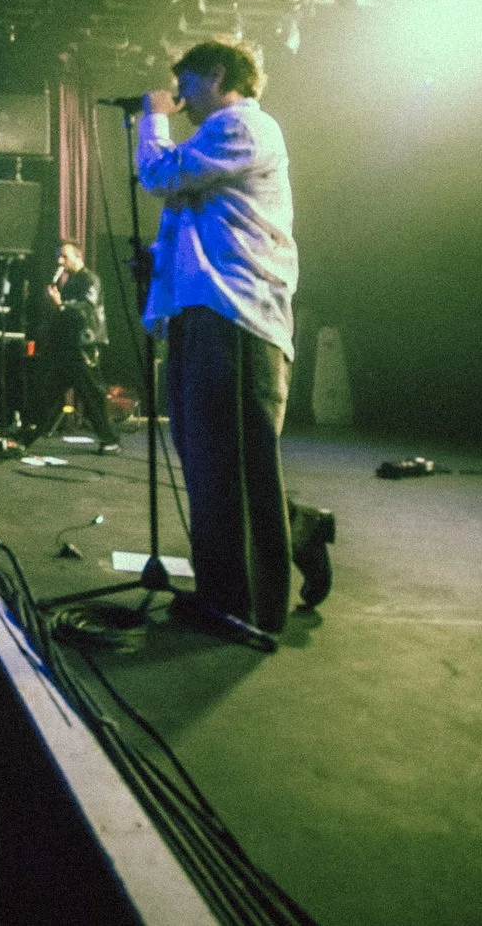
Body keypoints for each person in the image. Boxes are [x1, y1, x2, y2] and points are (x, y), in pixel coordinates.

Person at [137, 38, 326, 643]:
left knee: (233, 466)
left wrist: (151, 119)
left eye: (185, 79)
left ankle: (250, 608)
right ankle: (248, 569)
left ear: (218, 74)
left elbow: (159, 174)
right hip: (204, 313)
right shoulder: (214, 137)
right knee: (209, 466)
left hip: (238, 317)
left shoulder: (245, 126)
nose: (180, 91)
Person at [34, 240, 123, 452]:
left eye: (64, 256)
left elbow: (87, 306)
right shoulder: (70, 281)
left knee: (92, 395)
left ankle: (110, 440)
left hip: (84, 346)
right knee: (51, 392)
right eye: (59, 256)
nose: (59, 261)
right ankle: (29, 432)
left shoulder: (89, 279)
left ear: (78, 257)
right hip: (69, 347)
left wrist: (61, 305)